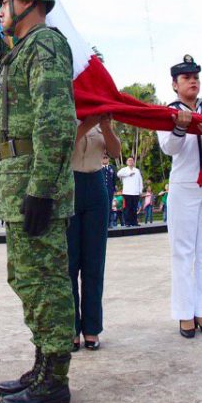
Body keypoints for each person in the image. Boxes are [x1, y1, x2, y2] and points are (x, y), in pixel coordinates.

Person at [0, 0, 75, 403]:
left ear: (28, 2)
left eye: (3, 3)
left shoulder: (47, 45)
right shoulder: (25, 49)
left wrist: (42, 190)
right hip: (20, 181)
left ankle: (55, 380)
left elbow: (54, 122)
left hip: (35, 181)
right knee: (27, 277)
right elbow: (5, 66)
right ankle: (42, 364)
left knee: (46, 282)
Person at [157, 55, 202, 338]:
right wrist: (179, 127)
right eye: (186, 78)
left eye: (196, 77)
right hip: (185, 184)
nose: (193, 82)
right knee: (183, 251)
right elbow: (168, 147)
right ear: (175, 84)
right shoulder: (169, 110)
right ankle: (184, 314)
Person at [68, 114, 121, 352]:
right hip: (69, 185)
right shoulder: (65, 113)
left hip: (96, 184)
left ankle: (92, 328)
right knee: (69, 264)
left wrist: (106, 126)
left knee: (94, 263)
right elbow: (65, 144)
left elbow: (116, 151)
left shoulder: (102, 117)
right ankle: (70, 329)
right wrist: (88, 122)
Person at [117, 158, 143, 227]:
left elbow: (140, 181)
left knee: (134, 208)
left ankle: (134, 222)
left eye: (132, 161)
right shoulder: (124, 170)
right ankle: (127, 222)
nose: (130, 162)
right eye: (129, 160)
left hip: (135, 192)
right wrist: (128, 174)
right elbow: (118, 174)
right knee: (127, 208)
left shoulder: (137, 170)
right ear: (126, 162)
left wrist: (140, 190)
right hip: (127, 192)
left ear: (134, 162)